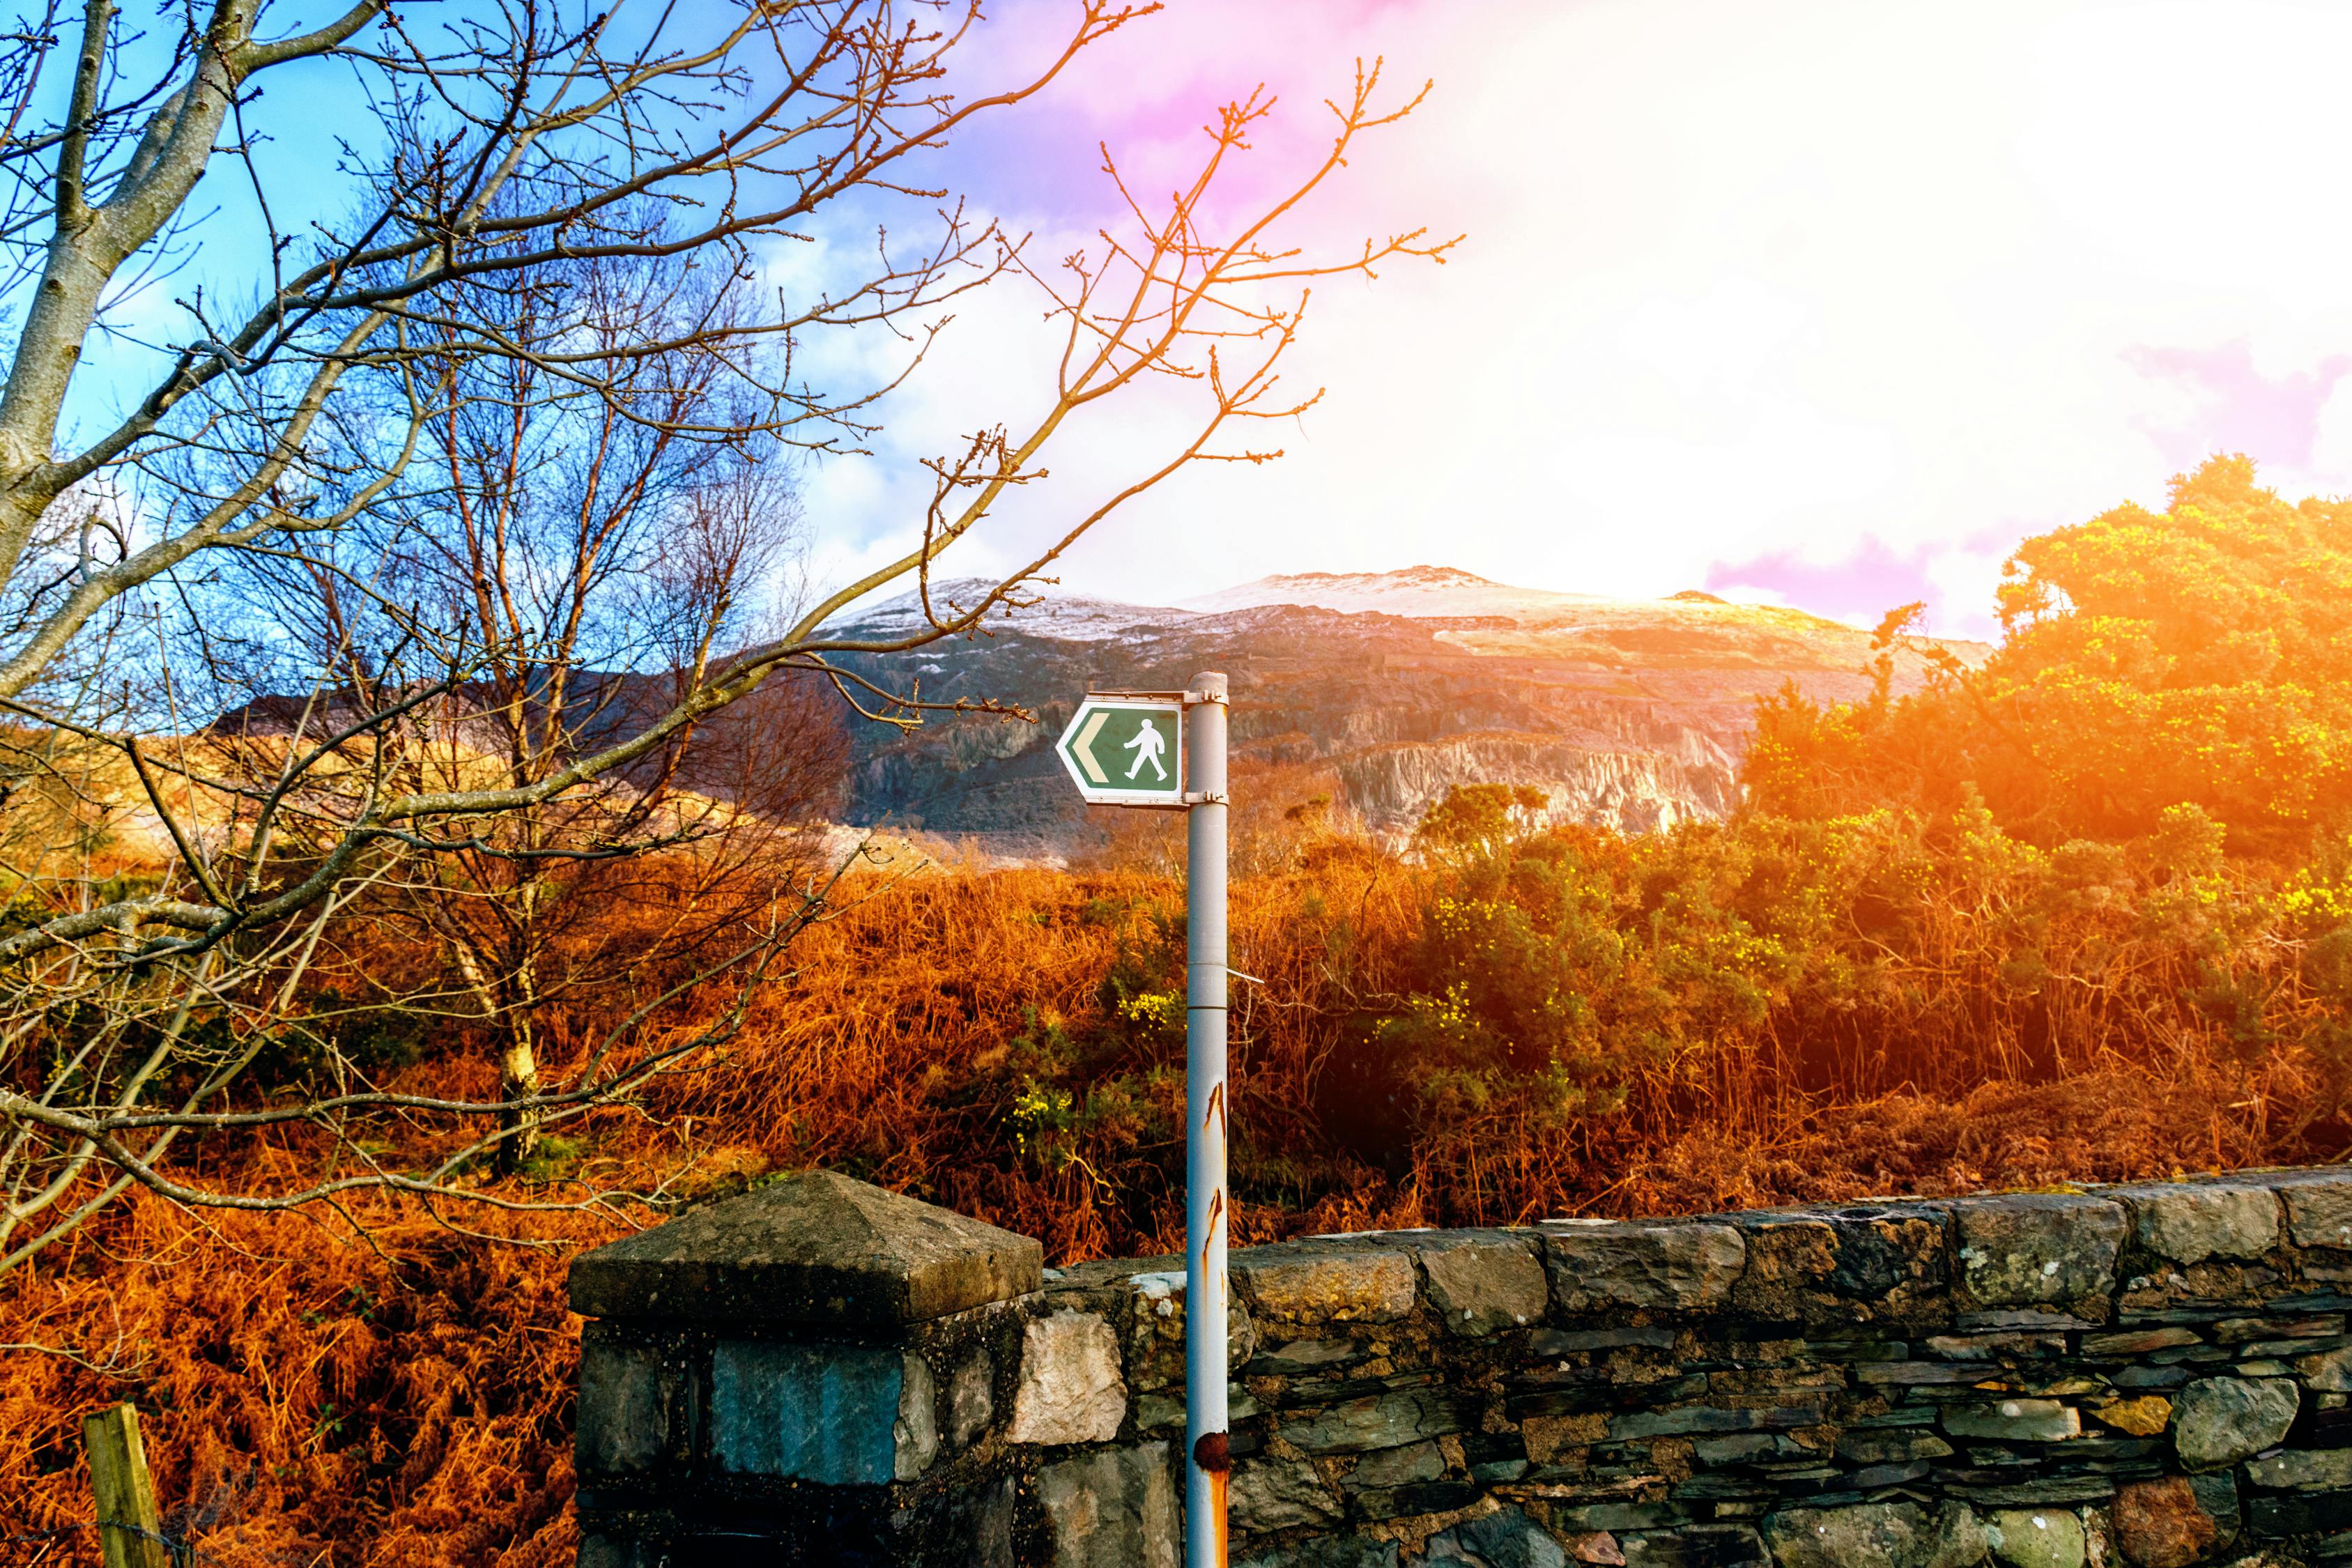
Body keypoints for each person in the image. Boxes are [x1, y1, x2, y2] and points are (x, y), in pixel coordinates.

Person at [1125, 717, 1169, 781]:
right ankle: (1162, 773)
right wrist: (1161, 749)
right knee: (1149, 761)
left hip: (1146, 750)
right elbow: (1160, 740)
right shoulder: (1153, 732)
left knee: (1140, 761)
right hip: (1147, 750)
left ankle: (1132, 774)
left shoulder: (1145, 732)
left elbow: (1137, 741)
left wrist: (1128, 745)